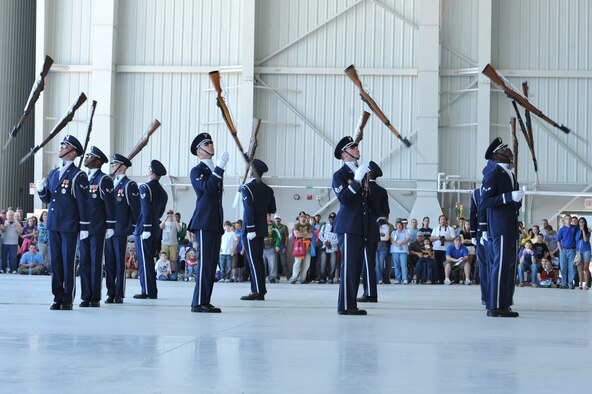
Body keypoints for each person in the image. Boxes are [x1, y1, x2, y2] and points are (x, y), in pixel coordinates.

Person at [36, 135, 89, 310]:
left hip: (69, 225)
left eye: (64, 146)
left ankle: (67, 298)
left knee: (67, 262)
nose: (61, 147)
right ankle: (57, 296)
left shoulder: (78, 175)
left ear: (73, 152)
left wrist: (84, 227)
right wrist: (42, 190)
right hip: (53, 224)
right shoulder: (53, 173)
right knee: (56, 263)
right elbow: (49, 199)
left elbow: (83, 202)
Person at [481, 137, 523, 317]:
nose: (508, 150)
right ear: (497, 154)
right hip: (500, 228)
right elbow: (485, 202)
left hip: (510, 226)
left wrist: (517, 200)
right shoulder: (493, 174)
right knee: (499, 266)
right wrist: (508, 197)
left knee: (509, 267)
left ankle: (504, 304)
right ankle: (494, 306)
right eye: (504, 148)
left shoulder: (509, 174)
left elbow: (511, 204)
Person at [188, 132, 228, 313]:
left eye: (211, 143)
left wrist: (217, 169)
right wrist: (219, 168)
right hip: (203, 222)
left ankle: (205, 299)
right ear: (199, 151)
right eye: (207, 144)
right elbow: (208, 188)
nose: (212, 146)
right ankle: (197, 302)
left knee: (212, 264)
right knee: (204, 263)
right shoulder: (197, 171)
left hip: (214, 222)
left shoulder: (213, 170)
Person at [332, 136, 370, 315]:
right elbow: (344, 199)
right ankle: (345, 306)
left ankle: (351, 304)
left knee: (355, 268)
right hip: (347, 227)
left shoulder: (360, 172)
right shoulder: (339, 175)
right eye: (352, 147)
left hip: (359, 227)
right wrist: (356, 181)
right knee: (348, 267)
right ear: (344, 154)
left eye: (356, 146)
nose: (356, 148)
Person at [79, 146, 116, 308]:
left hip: (97, 228)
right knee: (84, 263)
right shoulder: (82, 178)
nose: (86, 158)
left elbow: (110, 205)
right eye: (87, 156)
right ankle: (85, 296)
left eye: (90, 156)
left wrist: (110, 225)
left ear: (98, 161)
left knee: (95, 263)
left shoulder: (104, 179)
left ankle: (94, 296)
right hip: (83, 227)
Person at [105, 153, 140, 303]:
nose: (112, 167)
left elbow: (135, 209)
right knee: (109, 263)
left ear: (123, 166)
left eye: (115, 164)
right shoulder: (109, 183)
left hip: (119, 229)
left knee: (119, 262)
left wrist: (131, 226)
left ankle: (118, 293)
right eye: (112, 164)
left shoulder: (129, 185)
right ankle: (110, 292)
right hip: (107, 229)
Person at [240, 159, 277, 301]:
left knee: (253, 260)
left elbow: (249, 209)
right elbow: (272, 209)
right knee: (258, 260)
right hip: (261, 229)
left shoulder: (247, 188)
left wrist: (250, 228)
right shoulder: (268, 189)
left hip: (251, 230)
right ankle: (260, 290)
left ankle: (257, 291)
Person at [133, 159, 168, 300]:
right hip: (155, 228)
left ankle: (147, 291)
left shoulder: (145, 188)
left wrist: (146, 227)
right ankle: (151, 290)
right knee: (149, 260)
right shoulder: (163, 192)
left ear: (151, 172)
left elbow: (146, 209)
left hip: (144, 228)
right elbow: (160, 213)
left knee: (144, 261)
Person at [358, 161, 388, 302]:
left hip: (364, 231)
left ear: (368, 173)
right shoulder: (382, 191)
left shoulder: (364, 188)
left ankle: (370, 293)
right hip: (375, 231)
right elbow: (386, 213)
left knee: (367, 263)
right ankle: (369, 292)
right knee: (368, 261)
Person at [470, 183, 490, 305]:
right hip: (485, 234)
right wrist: (473, 234)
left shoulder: (477, 192)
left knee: (487, 266)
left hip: (487, 233)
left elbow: (473, 213)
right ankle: (486, 296)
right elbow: (473, 214)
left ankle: (488, 296)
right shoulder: (476, 193)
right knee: (485, 266)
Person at [289, 213, 313, 284]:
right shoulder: (296, 225)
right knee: (297, 263)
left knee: (306, 264)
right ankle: (293, 278)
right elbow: (296, 234)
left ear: (306, 218)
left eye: (304, 217)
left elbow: (311, 235)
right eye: (301, 217)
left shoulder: (309, 225)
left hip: (307, 246)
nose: (303, 218)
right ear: (299, 218)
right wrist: (306, 233)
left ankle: (302, 279)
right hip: (299, 246)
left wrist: (301, 234)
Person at [430, 215, 455, 283]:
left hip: (447, 249)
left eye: (444, 219)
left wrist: (445, 239)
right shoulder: (435, 228)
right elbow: (431, 239)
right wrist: (438, 238)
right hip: (437, 249)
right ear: (439, 221)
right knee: (438, 264)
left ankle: (447, 278)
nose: (443, 221)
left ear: (446, 221)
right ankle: (439, 279)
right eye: (441, 219)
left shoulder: (450, 229)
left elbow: (453, 238)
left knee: (447, 264)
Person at [556, 215, 578, 289]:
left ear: (571, 220)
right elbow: (558, 241)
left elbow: (582, 228)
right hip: (563, 251)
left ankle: (570, 283)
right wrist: (560, 250)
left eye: (569, 219)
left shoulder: (574, 228)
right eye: (567, 219)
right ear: (564, 220)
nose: (568, 220)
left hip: (572, 250)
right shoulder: (561, 229)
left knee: (572, 267)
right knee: (563, 267)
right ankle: (563, 283)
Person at [318, 212, 339, 284]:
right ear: (328, 219)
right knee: (323, 264)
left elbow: (339, 238)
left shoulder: (338, 226)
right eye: (330, 218)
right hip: (324, 247)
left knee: (333, 264)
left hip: (333, 248)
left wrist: (331, 243)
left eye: (333, 219)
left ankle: (330, 278)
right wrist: (325, 242)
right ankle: (322, 279)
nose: (332, 220)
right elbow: (320, 235)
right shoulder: (324, 226)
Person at [1, 209, 23, 274]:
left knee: (13, 257)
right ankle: (3, 269)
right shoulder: (3, 222)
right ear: (7, 216)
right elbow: (1, 230)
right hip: (4, 242)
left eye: (12, 215)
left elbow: (21, 231)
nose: (10, 216)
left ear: (13, 216)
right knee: (3, 257)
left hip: (14, 243)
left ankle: (13, 269)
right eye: (9, 215)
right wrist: (5, 227)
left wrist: (16, 226)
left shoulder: (17, 223)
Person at [160, 209, 181, 273]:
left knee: (173, 259)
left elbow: (180, 229)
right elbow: (160, 227)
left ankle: (173, 272)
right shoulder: (165, 222)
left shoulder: (175, 223)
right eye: (169, 214)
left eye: (171, 214)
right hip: (165, 243)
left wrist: (175, 220)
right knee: (164, 259)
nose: (170, 215)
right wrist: (165, 219)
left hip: (173, 244)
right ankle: (164, 272)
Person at [262, 214, 281, 283]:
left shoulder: (273, 225)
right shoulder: (260, 224)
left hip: (271, 248)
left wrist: (277, 245)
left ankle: (272, 277)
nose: (267, 217)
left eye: (269, 216)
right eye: (266, 215)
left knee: (272, 264)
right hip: (262, 248)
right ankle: (261, 277)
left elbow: (278, 236)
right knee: (262, 264)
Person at [575, 217, 590, 290]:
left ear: (585, 223)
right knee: (580, 268)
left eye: (583, 222)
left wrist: (583, 230)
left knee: (585, 268)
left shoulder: (588, 231)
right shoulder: (577, 231)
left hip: (586, 250)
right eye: (580, 222)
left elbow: (585, 240)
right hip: (578, 251)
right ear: (578, 223)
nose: (581, 223)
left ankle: (586, 284)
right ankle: (580, 284)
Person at [274, 214, 290, 281]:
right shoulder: (273, 227)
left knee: (284, 263)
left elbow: (286, 238)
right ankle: (276, 277)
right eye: (276, 218)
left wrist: (285, 247)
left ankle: (289, 277)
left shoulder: (284, 227)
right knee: (275, 263)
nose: (277, 220)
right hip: (274, 247)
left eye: (278, 218)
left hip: (282, 246)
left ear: (280, 219)